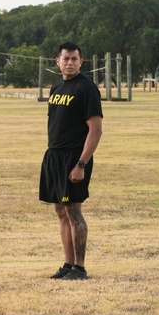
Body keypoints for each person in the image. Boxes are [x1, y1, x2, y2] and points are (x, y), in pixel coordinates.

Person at [39, 42, 103, 280]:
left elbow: (95, 130)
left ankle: (80, 267)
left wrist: (81, 164)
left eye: (74, 59)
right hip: (54, 156)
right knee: (60, 211)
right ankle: (67, 264)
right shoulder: (56, 87)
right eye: (66, 59)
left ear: (81, 62)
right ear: (58, 61)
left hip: (74, 158)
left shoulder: (86, 89)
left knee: (73, 210)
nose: (70, 63)